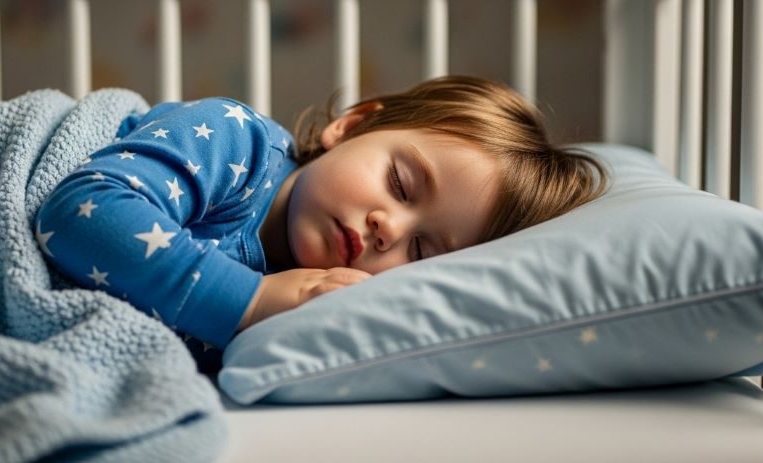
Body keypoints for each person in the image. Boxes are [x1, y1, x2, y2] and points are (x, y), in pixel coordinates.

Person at [34, 75, 607, 350]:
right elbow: (83, 211)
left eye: (424, 251)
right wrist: (252, 302)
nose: (391, 229)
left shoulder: (320, 305)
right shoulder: (236, 143)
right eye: (401, 183)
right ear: (352, 126)